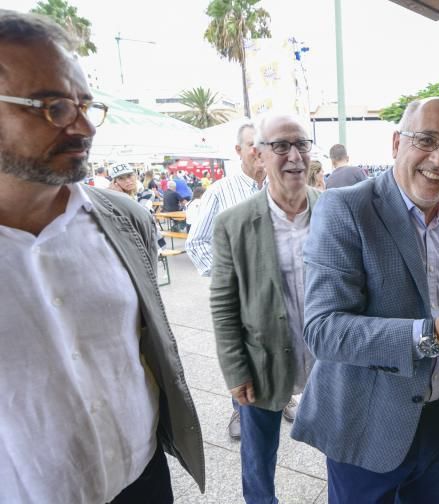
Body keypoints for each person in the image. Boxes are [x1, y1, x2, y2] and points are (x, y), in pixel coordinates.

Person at [0, 10, 204, 503]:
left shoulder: (123, 218)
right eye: (52, 106)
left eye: (86, 104)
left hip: (144, 480)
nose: (84, 126)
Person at [292, 97, 439, 504]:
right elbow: (323, 331)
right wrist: (433, 336)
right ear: (397, 143)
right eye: (426, 140)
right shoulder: (346, 208)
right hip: (367, 426)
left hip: (438, 424)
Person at [211, 114, 319, 504]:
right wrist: (235, 369)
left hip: (332, 360)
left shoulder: (335, 211)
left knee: (346, 454)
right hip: (263, 360)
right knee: (258, 458)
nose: (294, 156)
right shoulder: (233, 223)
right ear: (258, 155)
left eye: (301, 145)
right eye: (280, 146)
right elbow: (223, 304)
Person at [185, 122, 273, 439]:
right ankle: (239, 410)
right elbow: (196, 243)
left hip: (279, 294)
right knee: (241, 351)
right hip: (241, 296)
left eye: (265, 143)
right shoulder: (221, 192)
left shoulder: (280, 189)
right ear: (238, 151)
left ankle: (284, 397)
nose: (259, 149)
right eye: (252, 144)